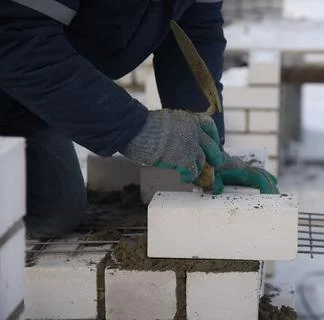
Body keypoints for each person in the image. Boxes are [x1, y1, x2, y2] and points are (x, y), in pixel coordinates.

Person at [0, 0, 279, 237]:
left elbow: (194, 29)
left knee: (53, 211)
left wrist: (206, 147)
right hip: (17, 61)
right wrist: (138, 130)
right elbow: (12, 35)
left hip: (25, 94)